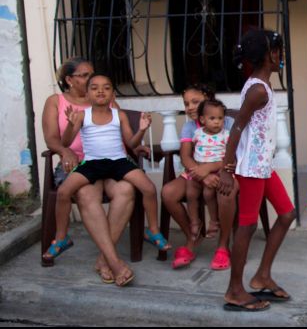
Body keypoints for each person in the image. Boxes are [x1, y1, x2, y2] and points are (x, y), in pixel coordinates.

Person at [55, 73, 171, 271]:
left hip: (118, 161)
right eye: (94, 87)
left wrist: (142, 130)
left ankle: (152, 230)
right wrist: (71, 125)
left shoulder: (120, 115)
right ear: (87, 94)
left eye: (106, 87)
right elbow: (65, 143)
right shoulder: (82, 116)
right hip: (92, 163)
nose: (101, 91)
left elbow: (131, 143)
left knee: (149, 188)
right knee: (63, 192)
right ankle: (61, 237)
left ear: (113, 94)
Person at [41, 57, 138, 285]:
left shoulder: (107, 99)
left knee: (126, 190)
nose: (91, 80)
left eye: (91, 74)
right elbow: (52, 139)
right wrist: (65, 151)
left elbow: (122, 133)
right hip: (78, 166)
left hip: (112, 163)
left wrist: (135, 145)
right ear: (69, 80)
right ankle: (114, 263)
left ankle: (104, 260)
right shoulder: (55, 102)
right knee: (86, 195)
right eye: (84, 76)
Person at [219, 29, 296, 312]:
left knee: (287, 214)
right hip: (251, 168)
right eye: (276, 50)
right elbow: (238, 126)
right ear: (267, 56)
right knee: (247, 225)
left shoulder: (261, 85)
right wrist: (227, 169)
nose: (280, 55)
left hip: (263, 166)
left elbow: (242, 119)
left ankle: (262, 274)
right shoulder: (257, 90)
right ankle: (234, 289)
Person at [161, 84, 238, 270]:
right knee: (168, 193)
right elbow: (186, 156)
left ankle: (222, 246)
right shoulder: (189, 127)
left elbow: (234, 155)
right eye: (186, 103)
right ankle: (192, 238)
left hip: (224, 169)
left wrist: (210, 168)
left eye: (195, 101)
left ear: (207, 97)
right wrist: (202, 175)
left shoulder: (225, 122)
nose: (190, 107)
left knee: (225, 191)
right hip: (196, 172)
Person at [186, 99, 229, 249]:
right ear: (202, 120)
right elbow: (190, 152)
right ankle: (195, 221)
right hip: (198, 169)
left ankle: (213, 220)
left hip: (216, 170)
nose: (217, 122)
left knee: (208, 193)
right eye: (212, 118)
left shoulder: (225, 135)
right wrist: (196, 168)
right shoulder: (197, 133)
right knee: (190, 191)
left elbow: (230, 157)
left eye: (220, 118)